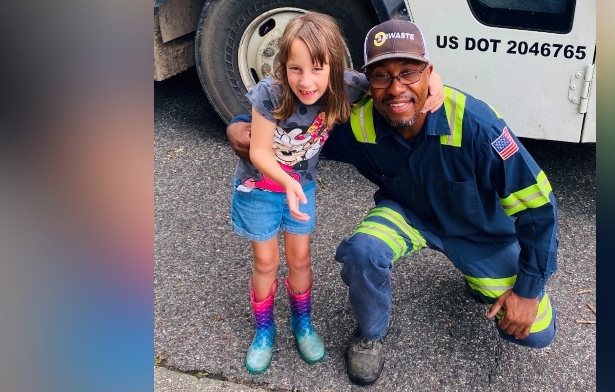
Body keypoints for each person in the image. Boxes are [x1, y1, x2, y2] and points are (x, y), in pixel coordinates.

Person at [227, 19, 559, 385]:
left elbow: (538, 208)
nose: (396, 88)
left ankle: (478, 278)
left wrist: (527, 291)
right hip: (408, 214)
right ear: (367, 82)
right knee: (363, 251)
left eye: (410, 73)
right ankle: (370, 335)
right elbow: (291, 113)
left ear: (429, 73)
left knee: (536, 331)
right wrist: (238, 124)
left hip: (480, 235)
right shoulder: (358, 117)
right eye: (382, 76)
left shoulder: (476, 125)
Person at [230, 13, 445, 374]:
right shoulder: (270, 93)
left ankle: (303, 324)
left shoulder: (346, 86)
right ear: (283, 66)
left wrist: (434, 77)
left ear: (334, 65)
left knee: (300, 261)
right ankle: (264, 331)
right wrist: (287, 182)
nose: (306, 81)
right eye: (295, 69)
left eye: (317, 68)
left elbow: (396, 76)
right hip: (260, 190)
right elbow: (259, 151)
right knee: (266, 263)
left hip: (301, 189)